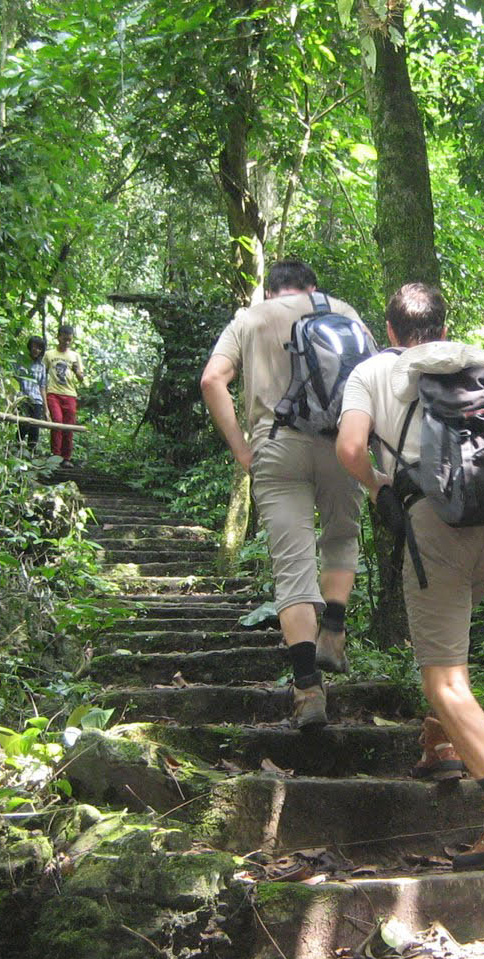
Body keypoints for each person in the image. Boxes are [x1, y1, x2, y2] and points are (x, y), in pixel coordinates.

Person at [335, 282, 484, 871]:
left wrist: (378, 484)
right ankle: (442, 744)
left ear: (391, 329)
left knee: (445, 680)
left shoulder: (372, 371)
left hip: (438, 525)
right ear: (443, 326)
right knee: (449, 640)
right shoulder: (469, 367)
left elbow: (352, 447)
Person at [200, 259, 368, 729]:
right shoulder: (345, 310)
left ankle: (307, 688)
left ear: (269, 291)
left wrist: (241, 449)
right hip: (340, 442)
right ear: (311, 288)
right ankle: (332, 630)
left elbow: (212, 379)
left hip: (276, 446)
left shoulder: (251, 318)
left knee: (293, 565)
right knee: (340, 535)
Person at [44, 324, 86, 464]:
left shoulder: (75, 356)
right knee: (57, 423)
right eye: (64, 339)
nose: (67, 342)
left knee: (69, 426)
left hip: (70, 394)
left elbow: (81, 378)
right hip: (53, 393)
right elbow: (41, 374)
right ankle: (55, 456)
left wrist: (76, 371)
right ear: (58, 337)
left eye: (69, 340)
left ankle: (66, 458)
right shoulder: (49, 354)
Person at [13, 335, 47, 450]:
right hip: (23, 398)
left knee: (35, 427)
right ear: (30, 347)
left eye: (39, 348)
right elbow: (14, 380)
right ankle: (17, 449)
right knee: (23, 424)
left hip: (37, 400)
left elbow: (42, 387)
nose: (36, 350)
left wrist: (46, 408)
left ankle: (31, 452)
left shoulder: (42, 366)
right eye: (34, 346)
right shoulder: (20, 362)